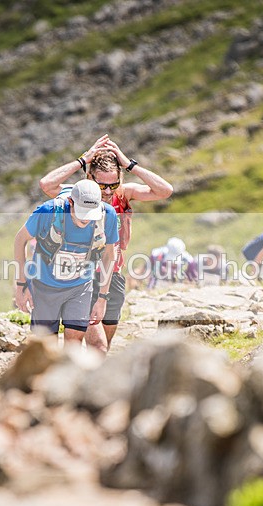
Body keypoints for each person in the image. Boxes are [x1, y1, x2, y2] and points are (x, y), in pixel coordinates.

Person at [39, 134, 173, 354]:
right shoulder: (77, 195)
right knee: (97, 345)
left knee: (104, 346)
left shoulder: (124, 194)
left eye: (114, 184)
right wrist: (82, 160)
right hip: (83, 276)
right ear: (90, 178)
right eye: (102, 185)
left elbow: (165, 191)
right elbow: (47, 184)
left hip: (114, 275)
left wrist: (129, 164)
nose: (109, 191)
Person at [14, 179, 118, 344]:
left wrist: (102, 298)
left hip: (80, 287)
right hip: (44, 286)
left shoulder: (108, 216)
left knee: (75, 341)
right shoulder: (48, 211)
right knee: (47, 346)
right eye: (82, 212)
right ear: (71, 202)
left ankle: (70, 371)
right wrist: (22, 284)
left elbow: (109, 256)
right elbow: (20, 240)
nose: (86, 220)